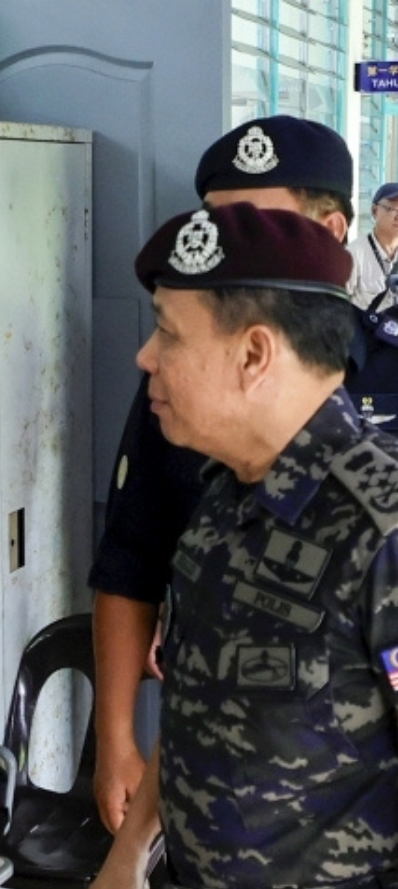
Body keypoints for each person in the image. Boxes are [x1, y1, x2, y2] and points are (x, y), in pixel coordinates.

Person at [84, 201, 398, 889]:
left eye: (171, 333)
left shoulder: (382, 530)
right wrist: (131, 854)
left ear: (255, 352)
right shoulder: (224, 505)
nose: (146, 358)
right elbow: (204, 718)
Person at [90, 116, 398, 834]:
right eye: (214, 223)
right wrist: (116, 743)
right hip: (224, 841)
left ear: (330, 231)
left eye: (250, 223)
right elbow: (133, 554)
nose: (223, 246)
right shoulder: (192, 402)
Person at [347, 182, 398, 311]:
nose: (397, 216)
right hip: (365, 329)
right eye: (391, 209)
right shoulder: (353, 254)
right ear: (374, 211)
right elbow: (336, 306)